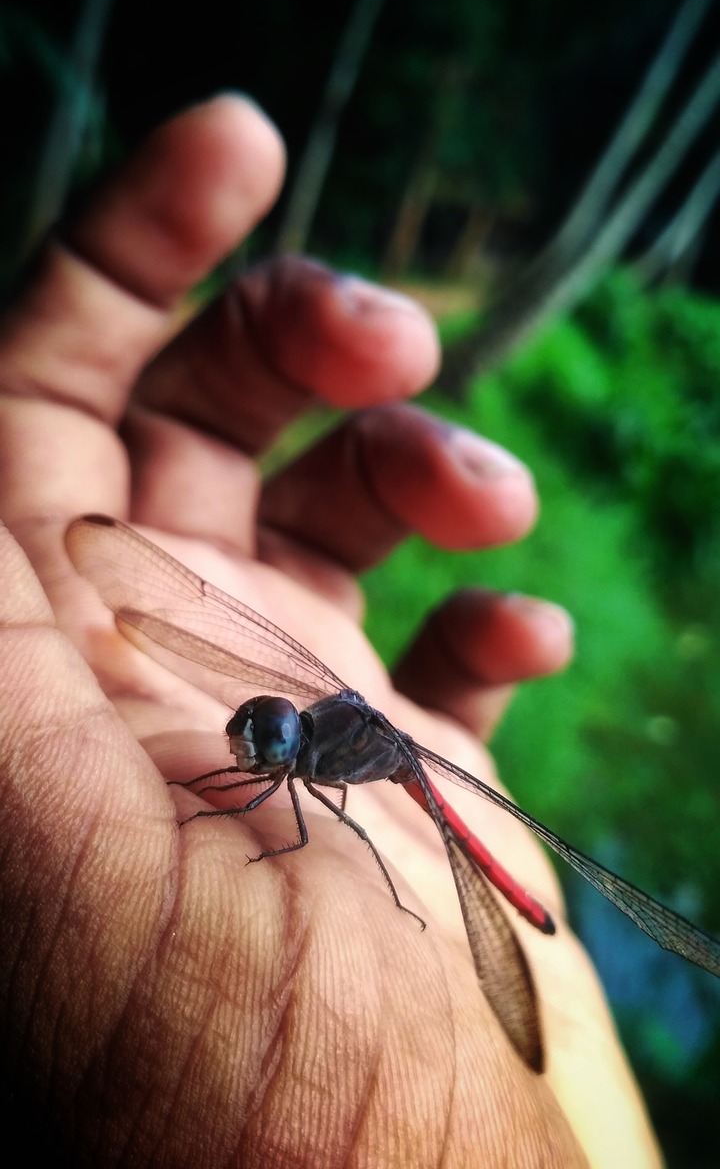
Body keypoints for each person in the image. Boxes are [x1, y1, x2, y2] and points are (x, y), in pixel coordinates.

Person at [0, 95, 660, 1167]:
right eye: (259, 735)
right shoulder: (296, 731)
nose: (250, 745)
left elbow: (308, 825)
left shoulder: (326, 772)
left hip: (426, 788)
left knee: (365, 837)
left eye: (259, 742)